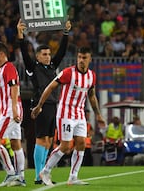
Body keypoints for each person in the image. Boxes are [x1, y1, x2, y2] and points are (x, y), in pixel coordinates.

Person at [31, 47, 105, 186]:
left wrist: (98, 115)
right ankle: (45, 171)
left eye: (84, 58)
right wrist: (40, 105)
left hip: (79, 114)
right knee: (65, 146)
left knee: (81, 143)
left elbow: (92, 95)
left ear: (90, 59)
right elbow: (50, 87)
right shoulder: (68, 73)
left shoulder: (91, 76)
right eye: (79, 57)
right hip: (65, 113)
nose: (81, 61)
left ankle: (73, 177)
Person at [17, 18, 72, 184]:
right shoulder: (33, 67)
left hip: (52, 105)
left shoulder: (51, 67)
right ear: (38, 56)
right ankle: (37, 175)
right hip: (40, 106)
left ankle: (43, 174)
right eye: (44, 54)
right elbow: (24, 53)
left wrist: (66, 33)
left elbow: (61, 52)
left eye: (49, 54)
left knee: (48, 140)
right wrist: (21, 35)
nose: (48, 57)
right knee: (41, 139)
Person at [0, 42, 26, 187]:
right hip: (7, 108)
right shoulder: (0, 69)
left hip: (11, 110)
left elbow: (14, 86)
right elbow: (4, 91)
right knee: (15, 143)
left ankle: (11, 173)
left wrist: (14, 108)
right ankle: (20, 176)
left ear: (1, 54)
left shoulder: (8, 67)